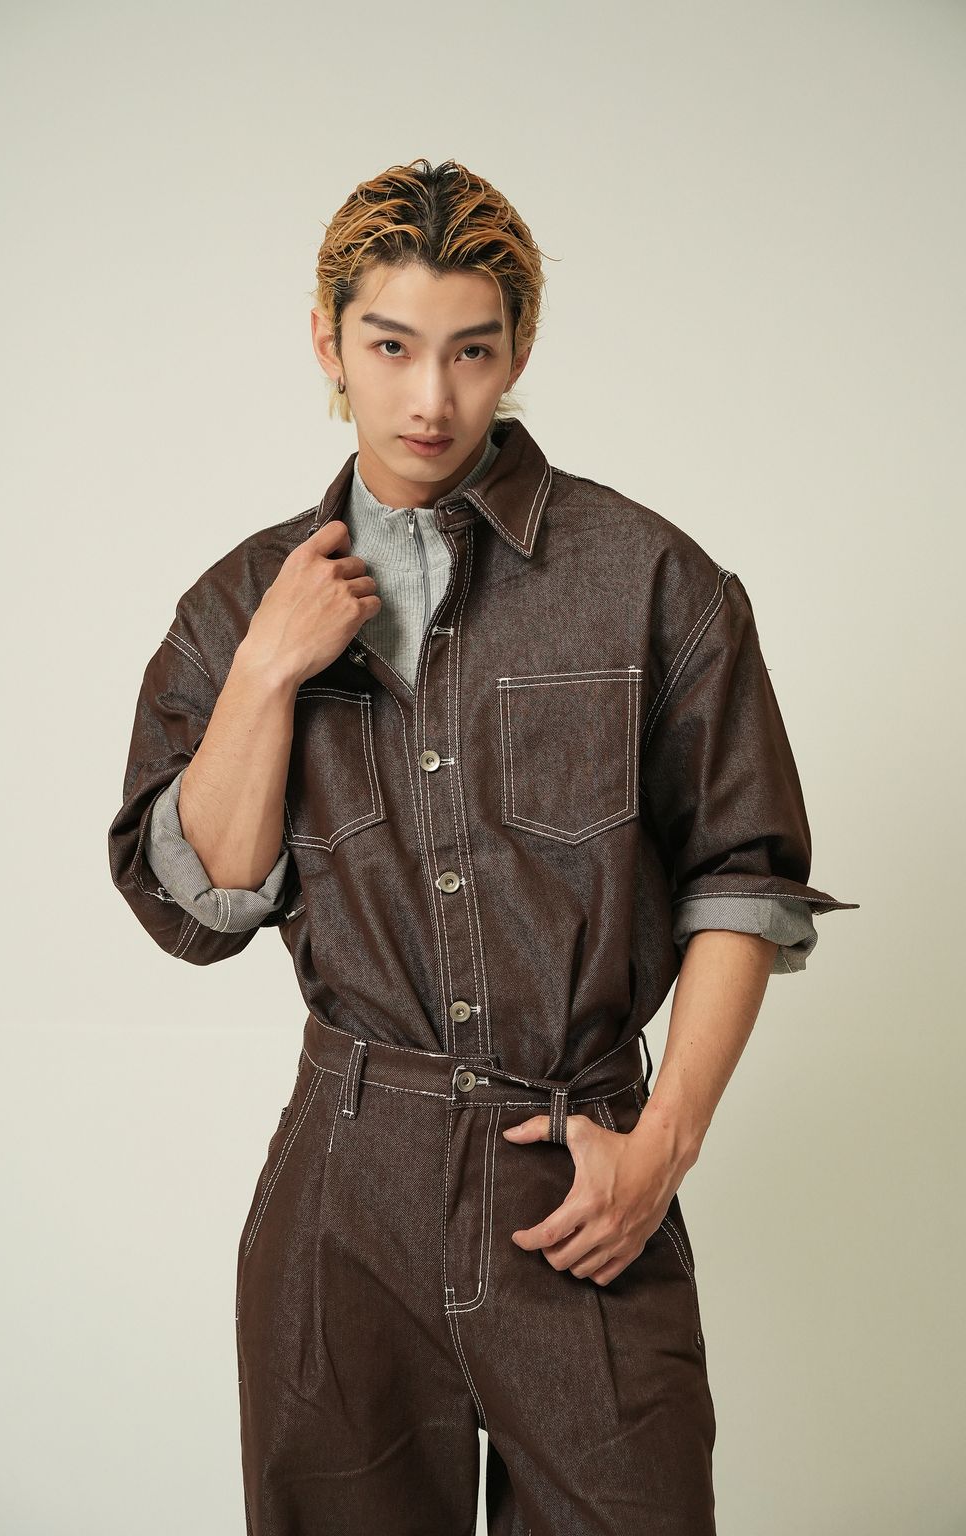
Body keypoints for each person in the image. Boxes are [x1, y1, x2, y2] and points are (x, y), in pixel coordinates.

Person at [108, 157, 858, 1536]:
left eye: (471, 351)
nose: (431, 399)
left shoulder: (650, 580)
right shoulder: (241, 601)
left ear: (518, 351)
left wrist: (665, 1147)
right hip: (346, 1195)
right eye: (391, 346)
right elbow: (201, 905)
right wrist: (269, 671)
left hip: (579, 1170)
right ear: (329, 342)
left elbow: (744, 878)